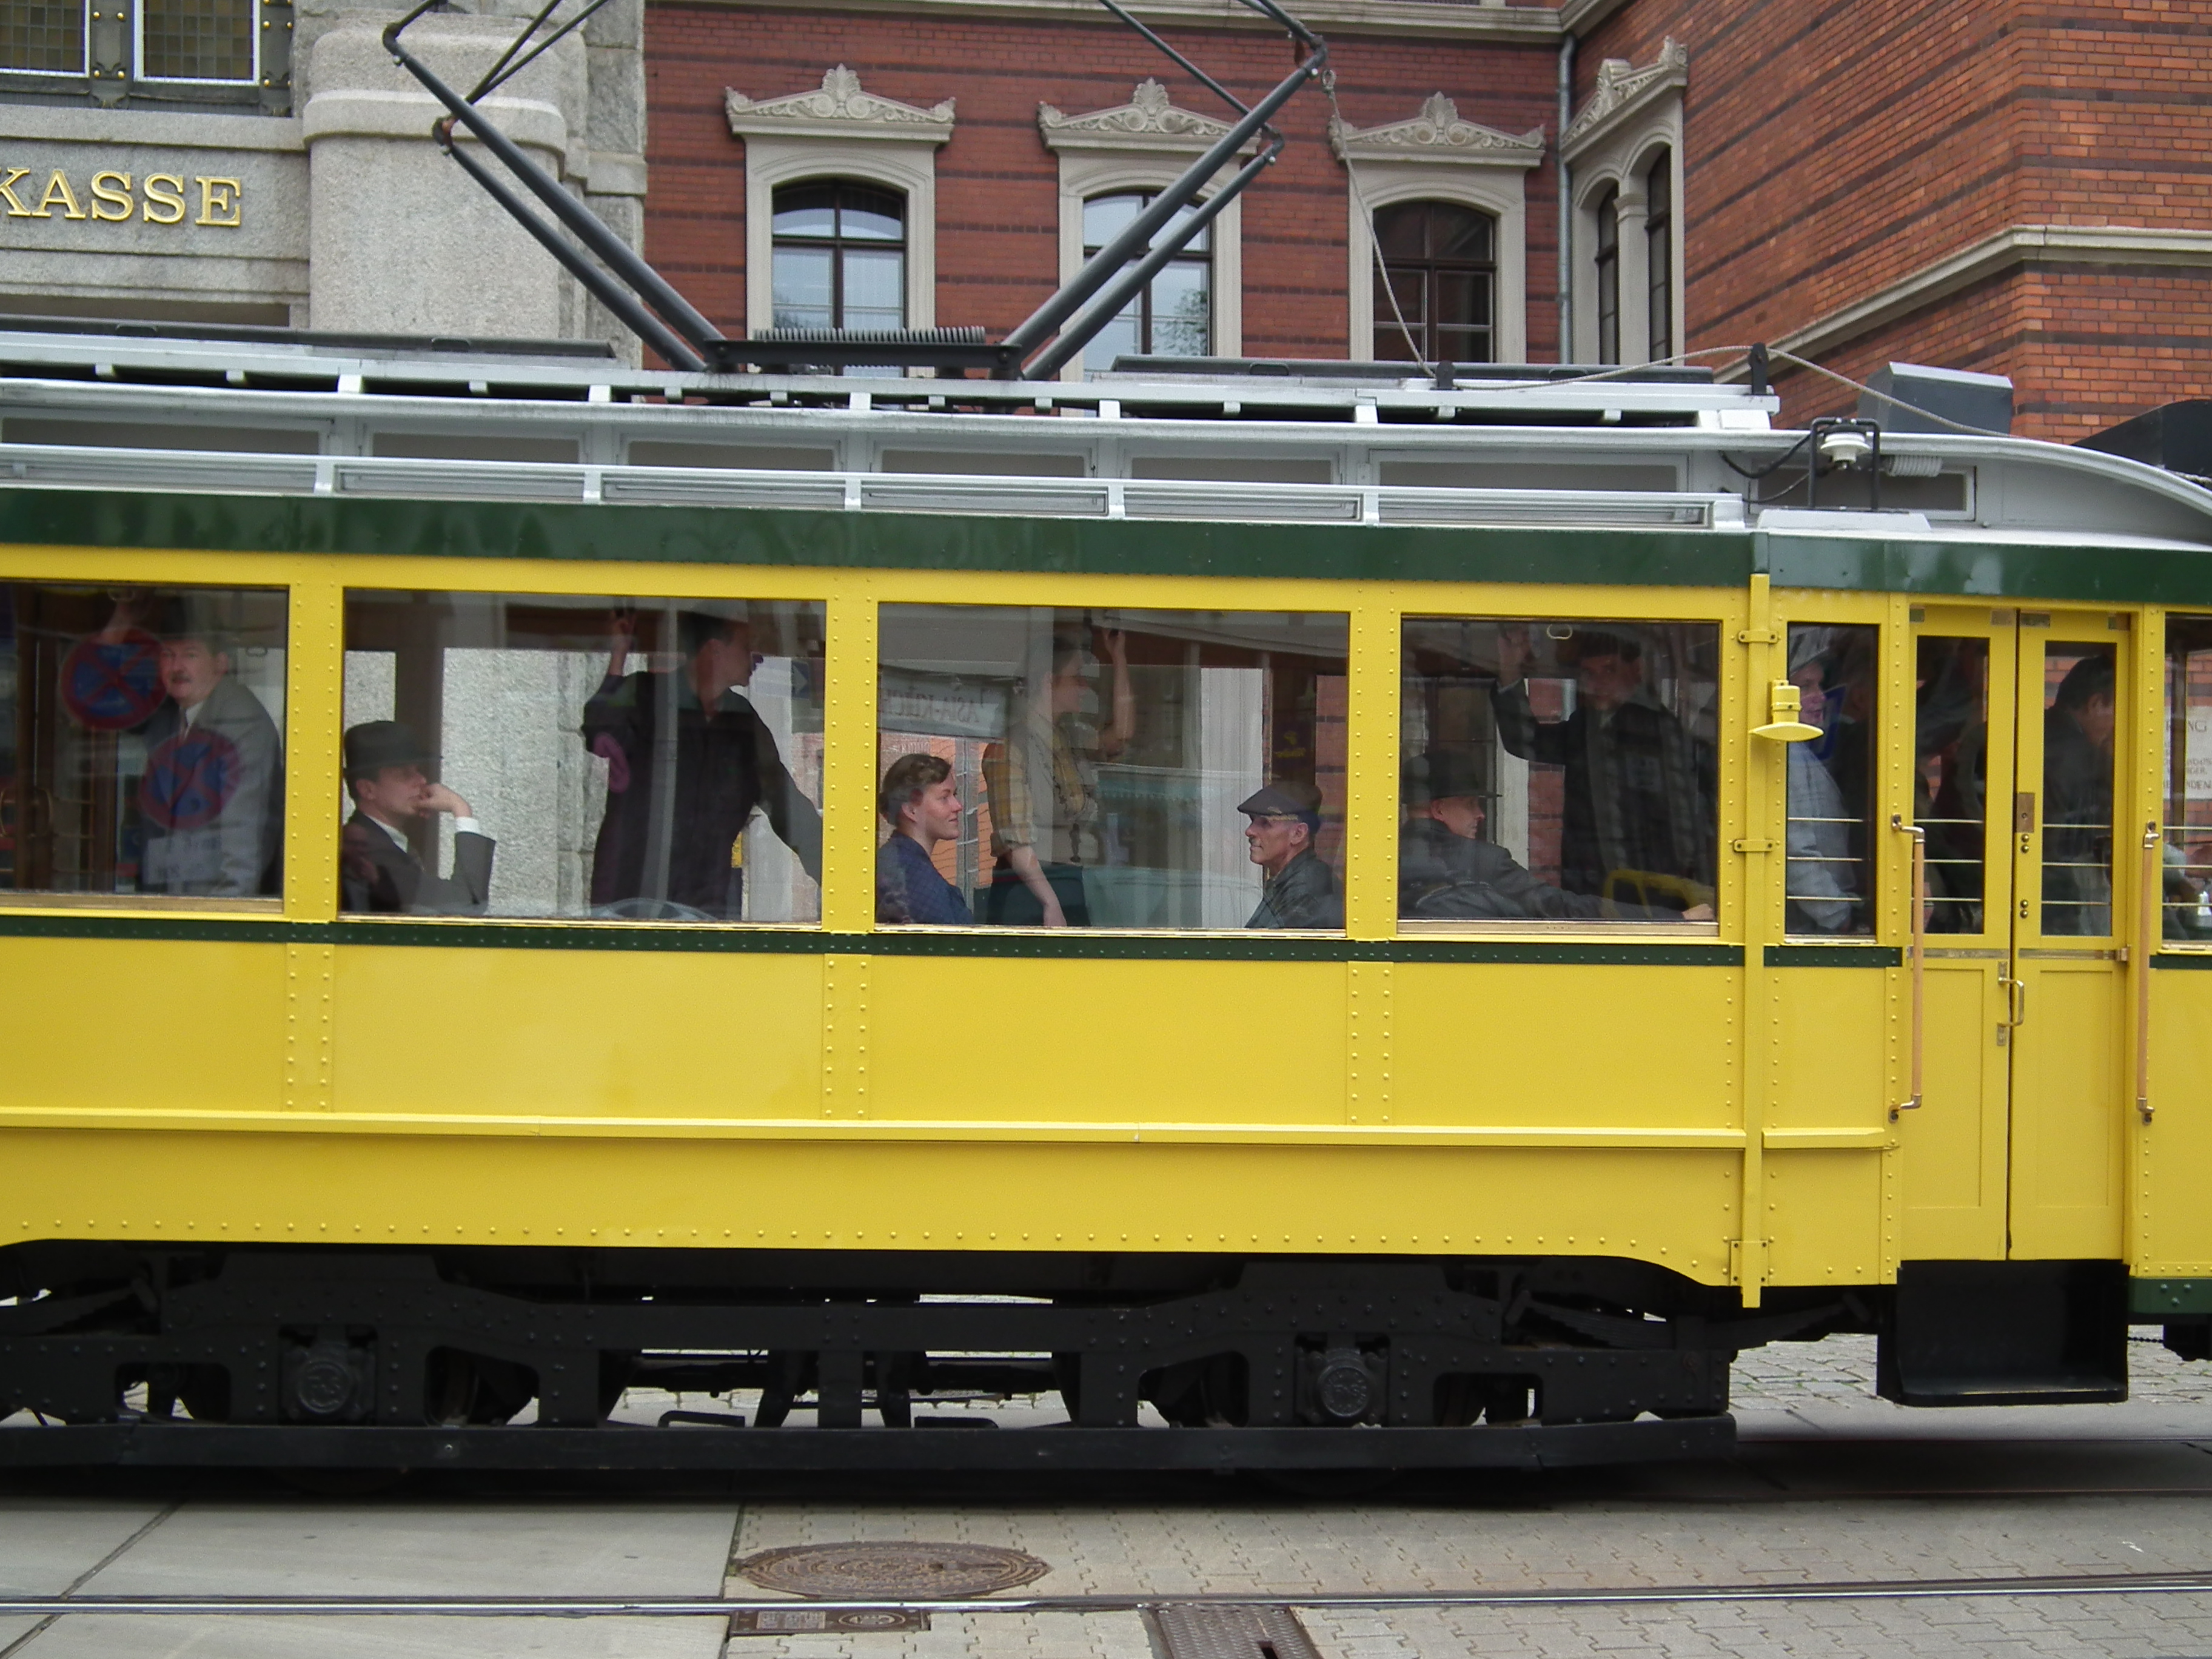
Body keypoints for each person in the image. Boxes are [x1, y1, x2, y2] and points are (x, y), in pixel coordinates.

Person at [580, 607, 822, 920]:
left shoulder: (743, 723)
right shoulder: (645, 695)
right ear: (714, 649)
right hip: (627, 904)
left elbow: (788, 808)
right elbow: (598, 731)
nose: (758, 657)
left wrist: (844, 877)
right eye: (747, 647)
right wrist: (618, 656)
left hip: (703, 908)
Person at [1491, 625, 1715, 908]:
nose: (1596, 684)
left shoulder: (1657, 731)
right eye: (1589, 673)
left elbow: (1676, 824)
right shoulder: (1587, 724)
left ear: (1637, 670)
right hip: (1594, 887)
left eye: (1609, 670)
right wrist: (1510, 669)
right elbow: (1527, 741)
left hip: (1645, 892)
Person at [1399, 751, 1712, 923]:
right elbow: (1559, 907)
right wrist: (1674, 919)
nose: (1480, 814)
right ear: (1438, 809)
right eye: (1470, 804)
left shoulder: (1390, 856)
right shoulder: (1486, 861)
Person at [108, 595, 284, 898]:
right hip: (176, 896)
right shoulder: (174, 715)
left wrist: (225, 913)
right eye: (168, 655)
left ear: (220, 663)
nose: (177, 667)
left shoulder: (241, 722)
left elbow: (243, 832)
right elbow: (108, 702)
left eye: (190, 655)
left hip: (210, 903)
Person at [982, 625, 1134, 927]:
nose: (1085, 687)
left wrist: (1119, 657)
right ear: (1049, 682)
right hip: (1030, 892)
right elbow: (1015, 840)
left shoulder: (1070, 737)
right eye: (1077, 678)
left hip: (1071, 882)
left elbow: (1122, 734)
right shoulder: (1009, 748)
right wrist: (1049, 902)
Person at [339, 720, 494, 915]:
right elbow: (467, 903)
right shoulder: (369, 851)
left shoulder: (378, 841)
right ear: (368, 789)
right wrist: (461, 809)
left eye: (417, 771)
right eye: (405, 775)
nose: (421, 780)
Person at [2043, 650, 2116, 936]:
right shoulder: (2083, 756)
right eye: (2118, 711)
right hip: (2061, 897)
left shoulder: (2031, 732)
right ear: (2096, 704)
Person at [877, 752, 972, 925]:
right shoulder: (912, 876)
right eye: (944, 798)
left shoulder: (900, 862)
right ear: (911, 810)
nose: (958, 806)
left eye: (955, 795)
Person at [1241, 782, 1342, 929]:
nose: (1249, 831)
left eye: (1265, 824)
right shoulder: (1290, 882)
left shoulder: (1305, 892)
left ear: (1298, 834)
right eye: (1253, 821)